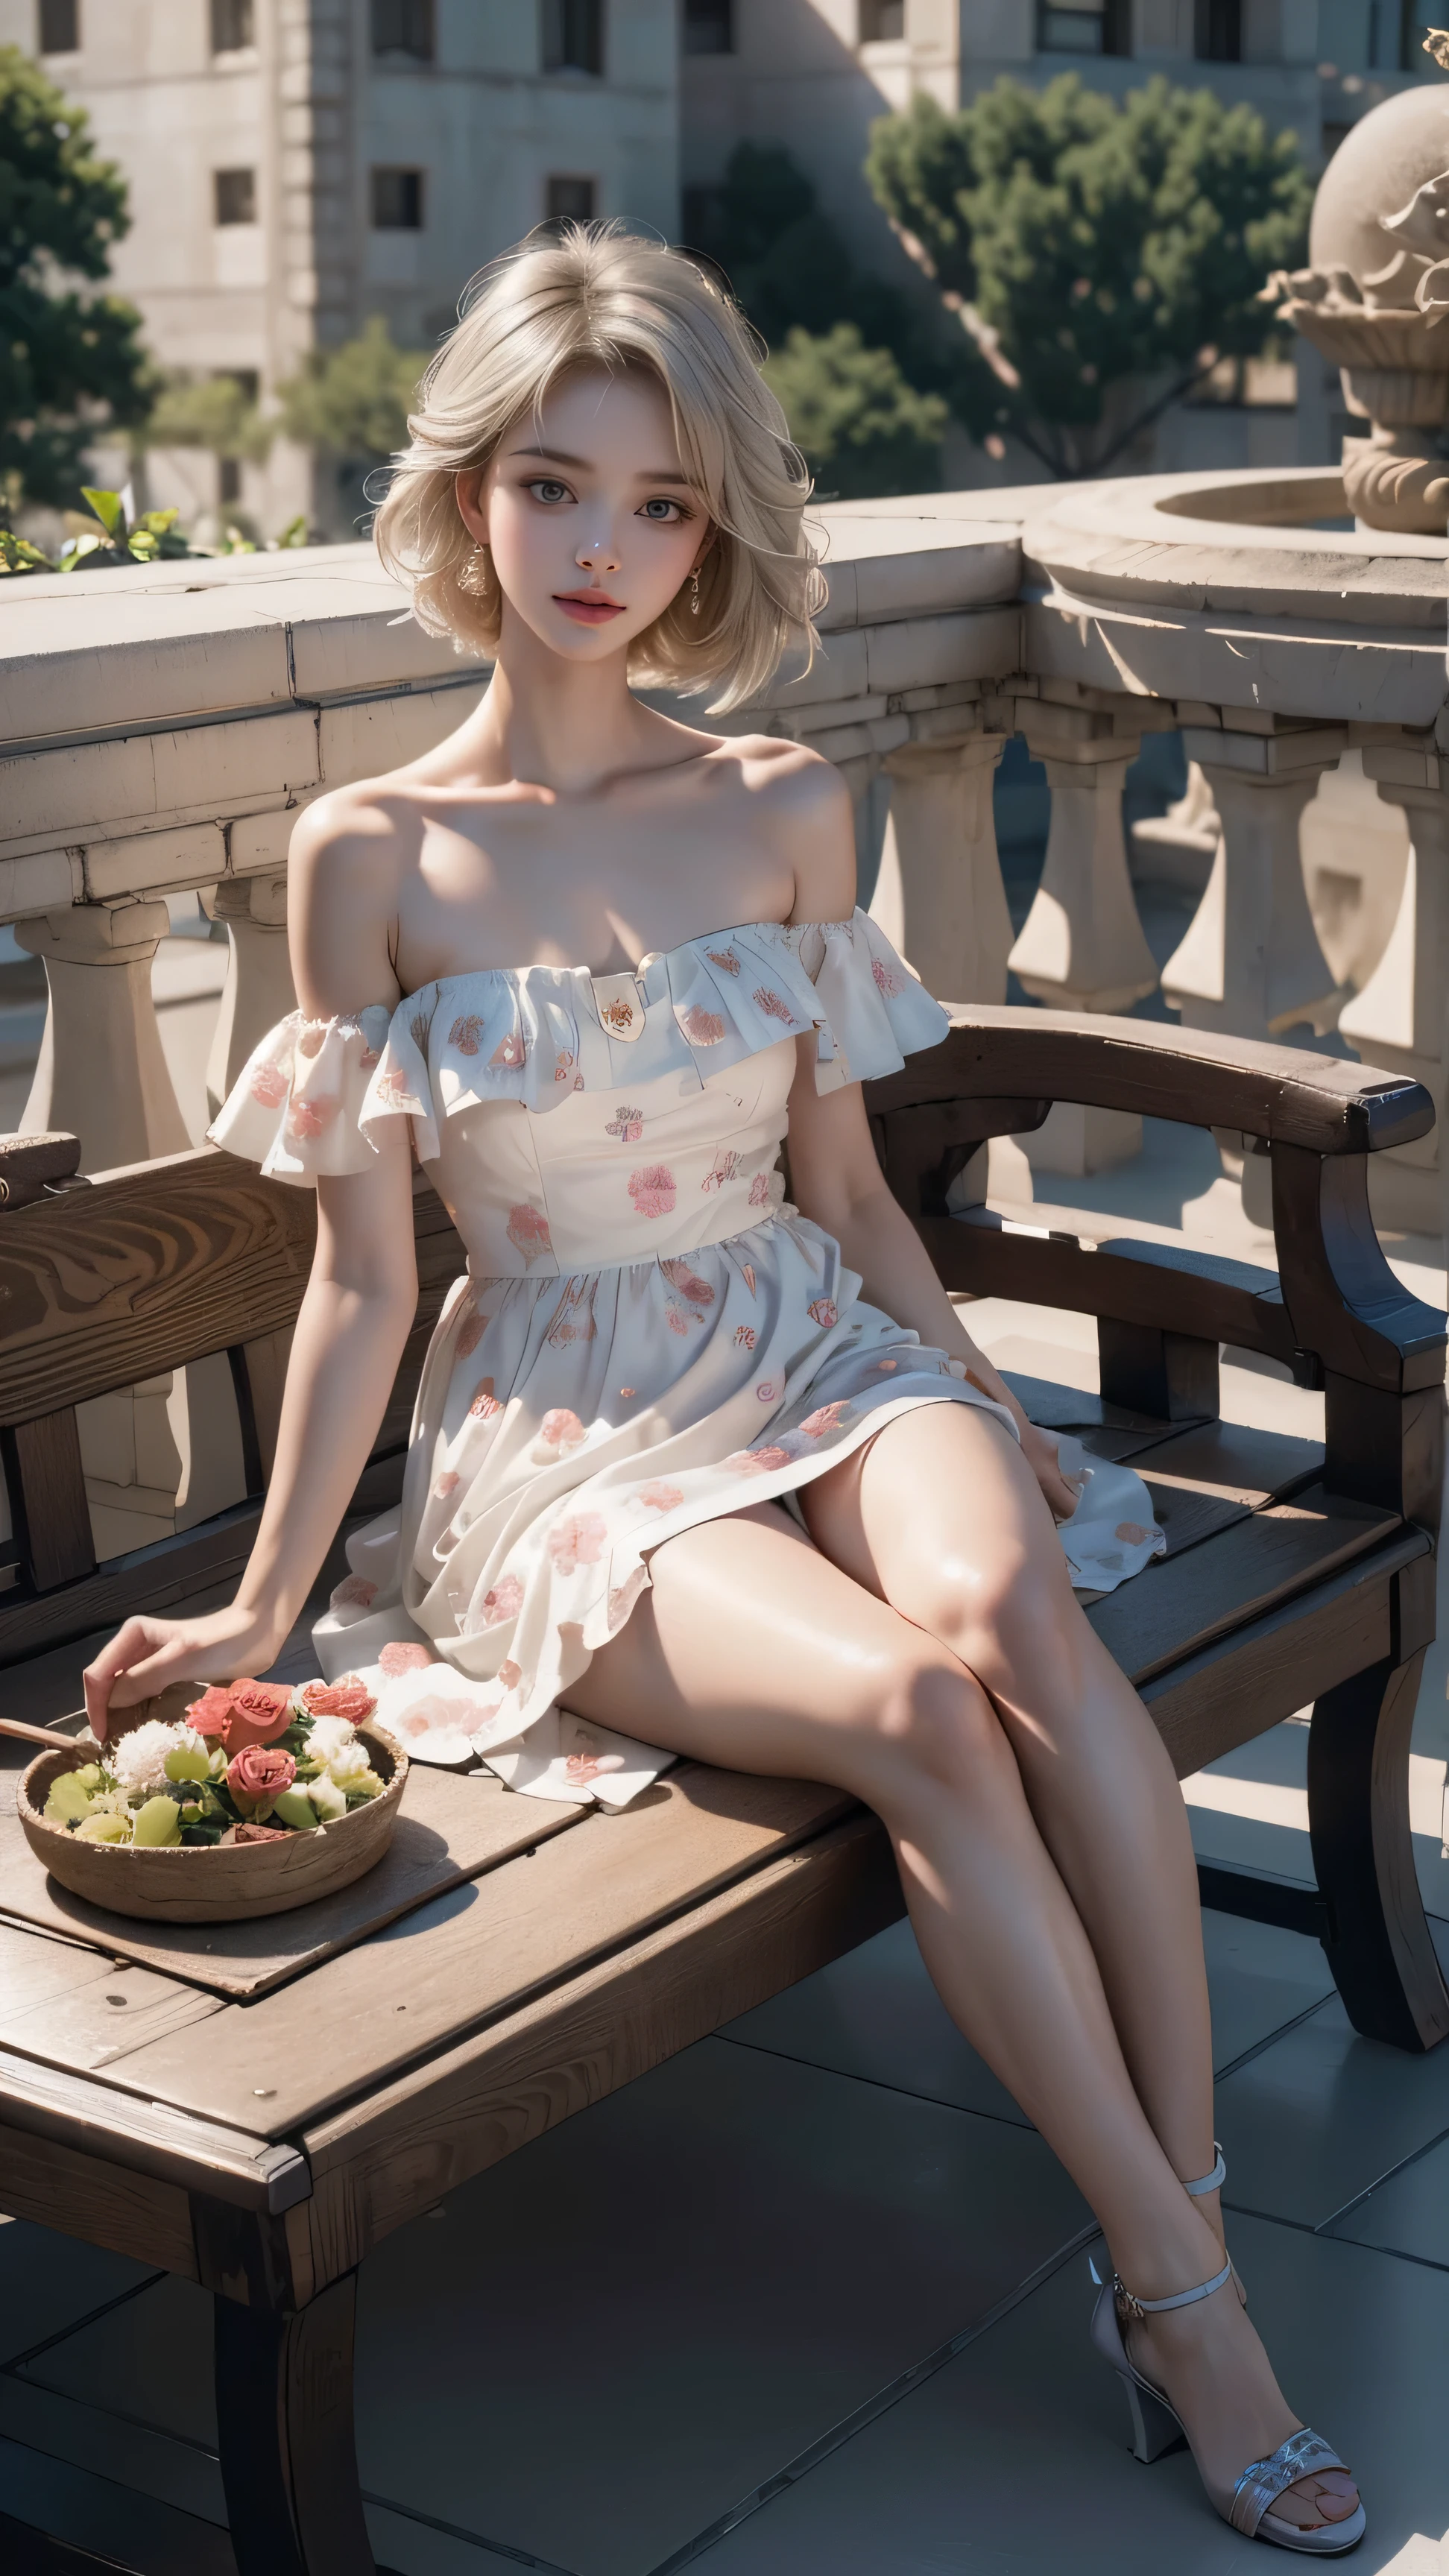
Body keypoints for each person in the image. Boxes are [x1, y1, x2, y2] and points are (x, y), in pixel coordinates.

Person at [83, 224, 1361, 2554]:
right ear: (472, 492)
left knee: (1019, 1632)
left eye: (657, 506)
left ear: (715, 530)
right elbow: (362, 1286)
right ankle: (1190, 2299)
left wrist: (968, 1408)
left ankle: (1174, 2225)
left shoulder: (782, 797)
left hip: (811, 1329)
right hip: (569, 1419)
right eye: (556, 487)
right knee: (916, 1715)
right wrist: (272, 1608)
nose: (601, 550)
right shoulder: (370, 856)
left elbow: (851, 1191)